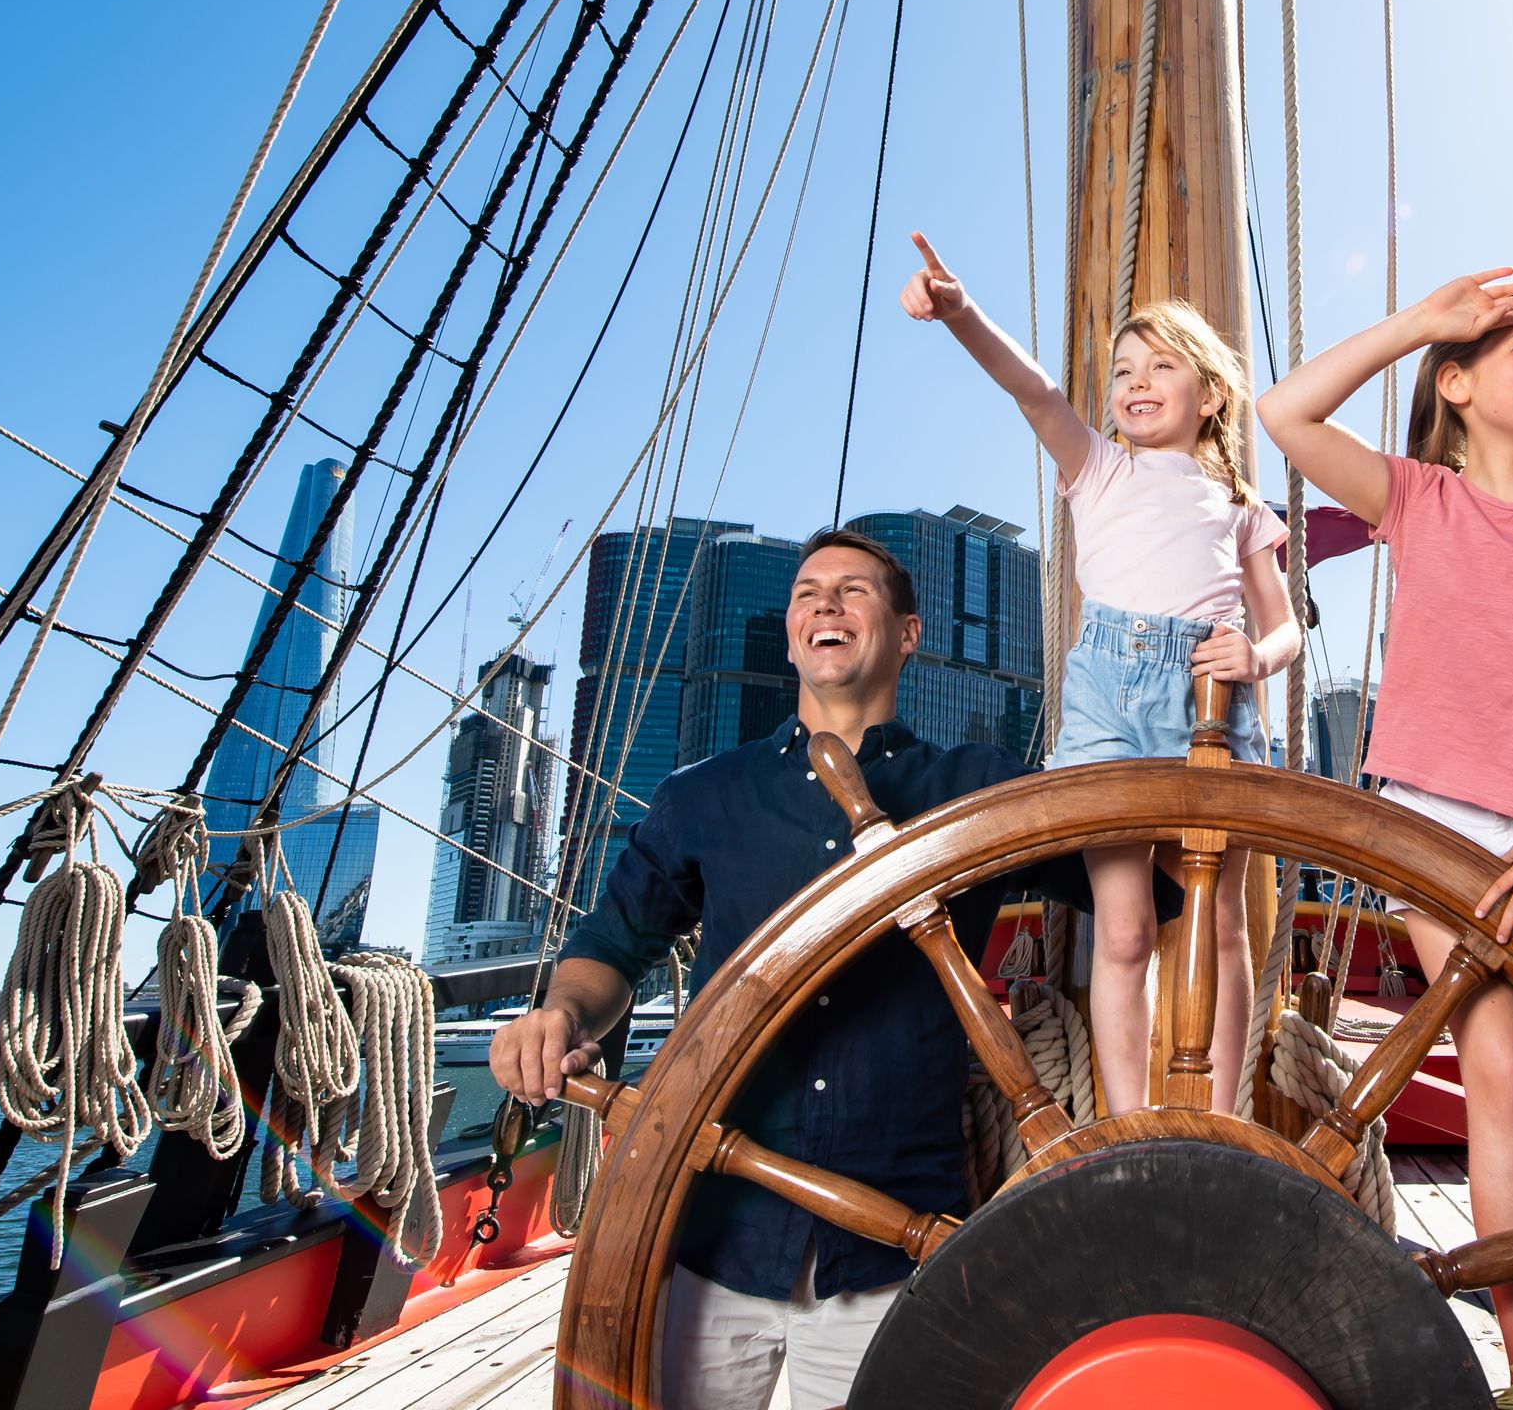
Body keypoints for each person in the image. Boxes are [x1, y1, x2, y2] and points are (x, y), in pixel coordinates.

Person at [489, 529, 1161, 1410]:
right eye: (808, 593)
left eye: (853, 591)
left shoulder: (984, 793)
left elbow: (1149, 893)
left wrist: (1159, 703)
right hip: (710, 1236)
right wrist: (562, 1018)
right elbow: (613, 948)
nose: (825, 605)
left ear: (910, 634)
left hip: (895, 1248)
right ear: (791, 629)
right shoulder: (704, 796)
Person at [1260, 267, 1513, 1410]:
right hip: (1440, 821)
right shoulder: (1414, 500)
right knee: (1502, 1085)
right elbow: (1282, 412)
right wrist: (1419, 321)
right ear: (1456, 380)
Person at [900, 231, 1295, 1117]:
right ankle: (1124, 1122)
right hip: (1108, 702)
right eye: (1123, 371)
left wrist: (1258, 657)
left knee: (1222, 929)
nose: (1137, 383)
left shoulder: (1240, 508)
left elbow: (1285, 630)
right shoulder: (1098, 470)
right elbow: (1032, 389)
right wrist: (961, 314)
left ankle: (1217, 1117)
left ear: (1213, 394)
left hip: (1210, 701)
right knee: (1121, 932)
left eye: (1161, 366)